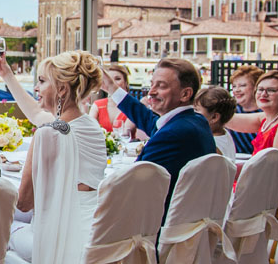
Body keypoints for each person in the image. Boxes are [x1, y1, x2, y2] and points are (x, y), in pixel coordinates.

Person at [7, 51, 106, 264]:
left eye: (41, 81)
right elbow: (42, 116)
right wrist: (6, 74)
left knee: (4, 229)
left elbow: (24, 204)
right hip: (96, 235)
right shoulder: (93, 128)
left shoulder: (48, 135)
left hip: (58, 244)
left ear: (61, 88)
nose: (37, 88)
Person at [104, 57, 215, 220]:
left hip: (157, 222)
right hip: (190, 217)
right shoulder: (195, 121)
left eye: (161, 86)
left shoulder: (174, 134)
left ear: (185, 94)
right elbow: (149, 121)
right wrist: (111, 88)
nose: (151, 92)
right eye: (152, 84)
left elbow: (132, 183)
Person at [226, 69, 278, 222]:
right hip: (255, 187)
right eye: (260, 89)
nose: (263, 94)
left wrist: (268, 215)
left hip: (264, 198)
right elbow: (229, 120)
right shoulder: (267, 118)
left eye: (271, 90)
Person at [88, 64, 135, 139]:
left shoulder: (132, 107)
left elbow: (125, 133)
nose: (112, 83)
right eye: (109, 80)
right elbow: (90, 129)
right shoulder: (98, 105)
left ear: (126, 83)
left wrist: (102, 134)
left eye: (117, 79)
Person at [194, 86, 237, 159]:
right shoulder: (223, 133)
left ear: (214, 117)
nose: (192, 113)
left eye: (196, 110)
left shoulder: (211, 146)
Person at [228, 65, 263, 154]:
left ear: (256, 87)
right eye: (234, 86)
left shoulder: (266, 113)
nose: (236, 90)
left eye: (242, 85)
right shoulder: (229, 110)